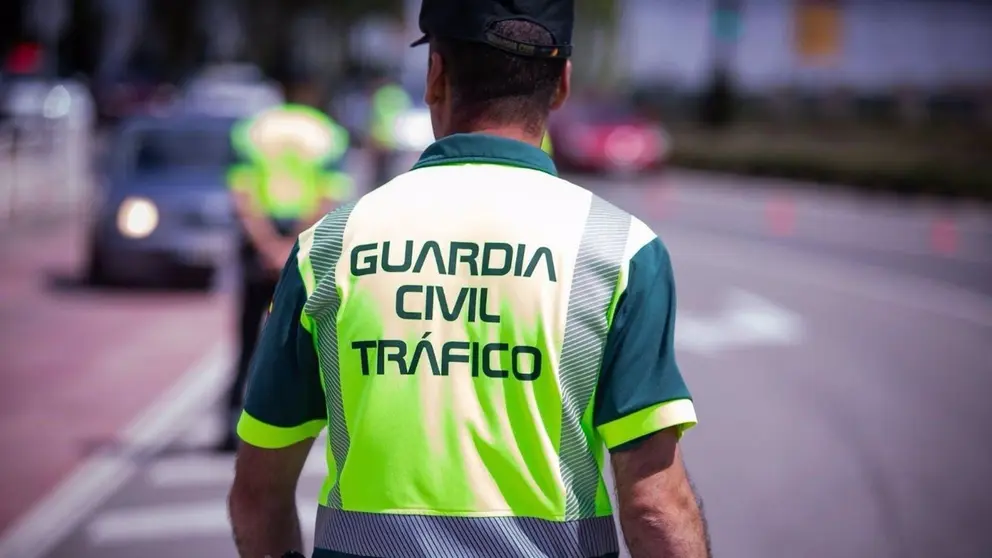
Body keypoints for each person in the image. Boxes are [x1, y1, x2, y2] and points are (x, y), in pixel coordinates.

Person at [228, 0, 710, 556]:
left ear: (435, 75)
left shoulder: (328, 248)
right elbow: (654, 504)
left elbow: (257, 493)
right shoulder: (621, 250)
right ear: (562, 86)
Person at [217, 73, 353, 452]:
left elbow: (242, 194)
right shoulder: (327, 133)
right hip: (304, 243)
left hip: (256, 243)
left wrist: (266, 246)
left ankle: (231, 425)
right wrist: (289, 248)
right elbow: (327, 197)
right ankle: (295, 431)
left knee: (246, 339)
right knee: (303, 341)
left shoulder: (253, 131)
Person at [367, 74, 413, 189]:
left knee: (378, 173)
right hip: (395, 140)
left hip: (380, 140)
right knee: (392, 172)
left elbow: (373, 117)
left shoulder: (380, 94)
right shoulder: (401, 95)